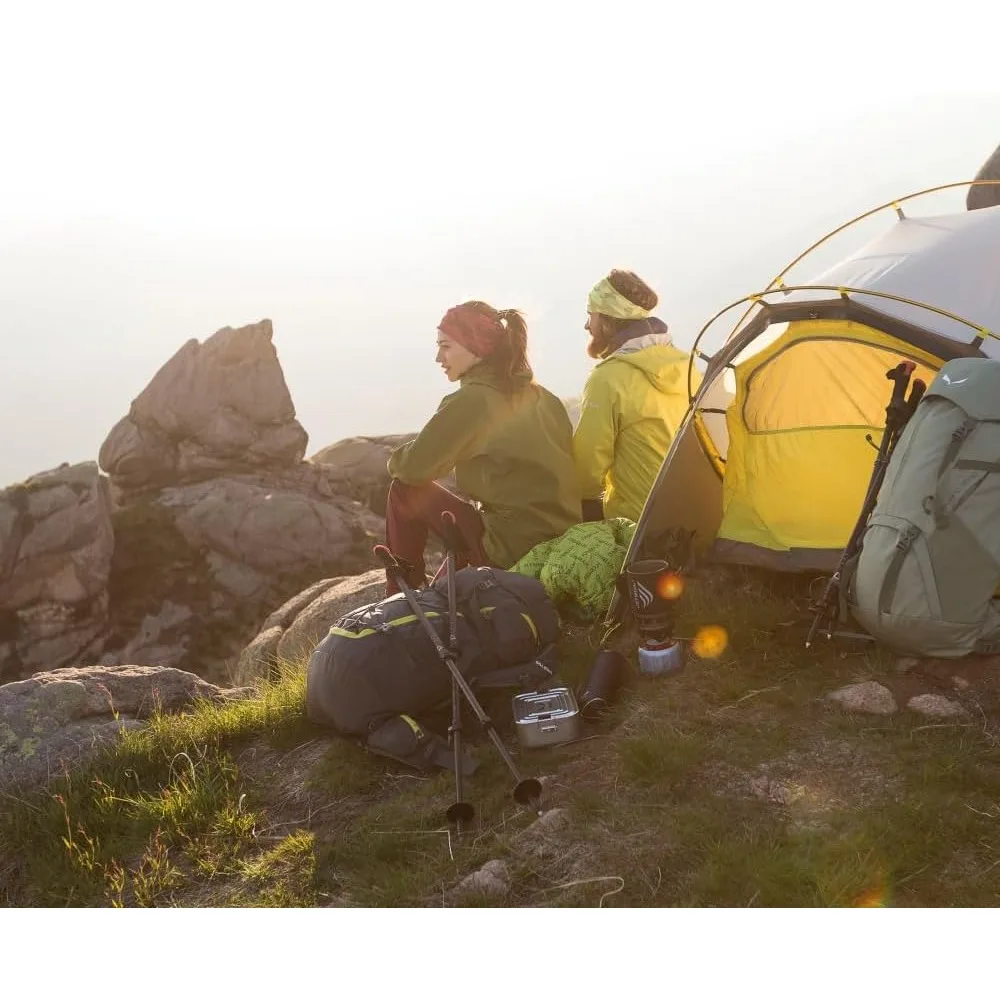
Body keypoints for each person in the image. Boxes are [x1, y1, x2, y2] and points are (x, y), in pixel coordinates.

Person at [383, 300, 581, 595]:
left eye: (446, 346)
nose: (439, 357)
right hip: (561, 538)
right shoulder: (544, 397)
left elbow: (413, 469)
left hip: (511, 547)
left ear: (476, 347)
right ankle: (442, 586)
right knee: (472, 518)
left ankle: (401, 596)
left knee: (405, 491)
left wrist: (396, 458)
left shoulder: (473, 401)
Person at [573, 269, 698, 522]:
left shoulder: (607, 378)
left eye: (591, 315)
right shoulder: (687, 365)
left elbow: (587, 470)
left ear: (607, 320)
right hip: (694, 512)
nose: (587, 325)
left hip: (636, 524)